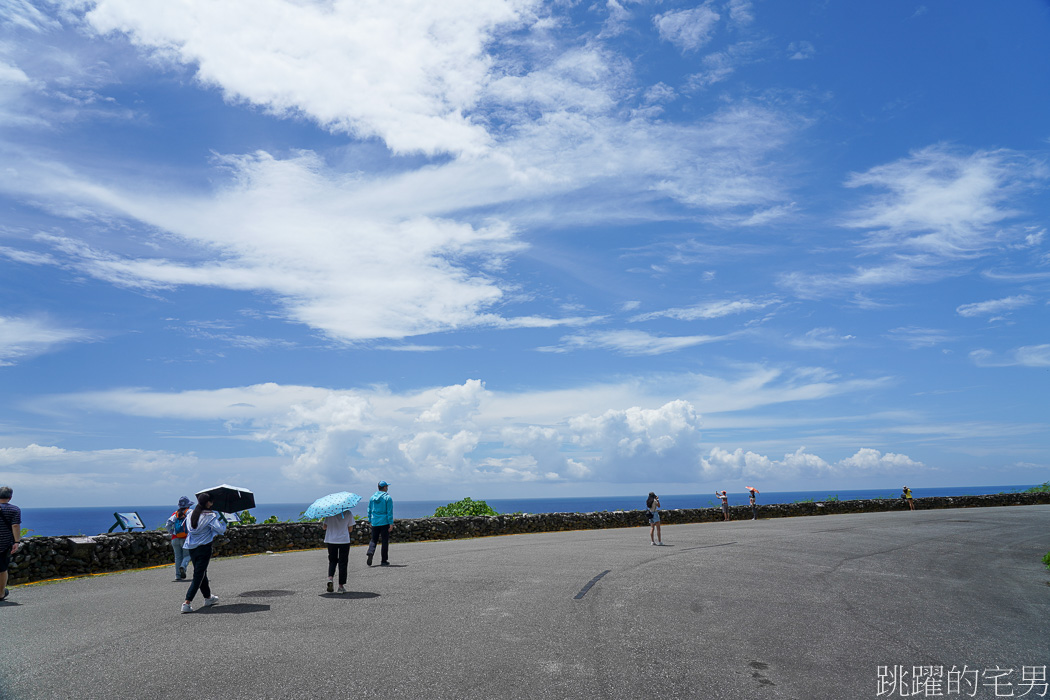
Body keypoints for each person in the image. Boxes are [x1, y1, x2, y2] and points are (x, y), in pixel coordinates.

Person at [181, 492, 226, 613]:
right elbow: (220, 530)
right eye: (211, 501)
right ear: (208, 503)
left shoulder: (191, 514)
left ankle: (208, 598)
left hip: (192, 547)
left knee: (201, 573)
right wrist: (224, 521)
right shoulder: (210, 516)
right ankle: (187, 602)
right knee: (198, 575)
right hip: (204, 548)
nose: (213, 503)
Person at [322, 509, 354, 593]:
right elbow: (350, 529)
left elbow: (324, 527)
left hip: (331, 540)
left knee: (332, 560)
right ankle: (340, 586)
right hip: (344, 540)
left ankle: (330, 578)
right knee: (343, 562)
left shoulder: (329, 513)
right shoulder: (348, 513)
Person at [0, 485, 21, 602]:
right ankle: (1, 593)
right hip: (4, 544)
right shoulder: (14, 509)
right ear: (10, 497)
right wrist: (17, 541)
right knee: (2, 569)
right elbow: (15, 525)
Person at [165, 496, 194, 580]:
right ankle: (183, 567)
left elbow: (168, 524)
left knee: (178, 557)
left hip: (175, 537)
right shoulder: (190, 512)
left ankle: (178, 576)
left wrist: (172, 532)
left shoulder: (175, 513)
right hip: (186, 537)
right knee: (188, 555)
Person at [366, 481, 394, 567]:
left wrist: (370, 520)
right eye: (387, 486)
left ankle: (370, 552)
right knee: (384, 541)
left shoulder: (372, 498)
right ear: (385, 487)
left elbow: (369, 510)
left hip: (375, 521)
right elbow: (389, 512)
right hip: (384, 522)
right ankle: (384, 560)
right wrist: (391, 523)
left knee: (373, 540)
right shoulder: (388, 498)